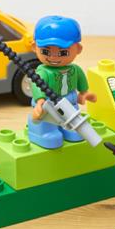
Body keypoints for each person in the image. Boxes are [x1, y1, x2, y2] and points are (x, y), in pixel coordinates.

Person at [28, 16, 97, 149]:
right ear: (34, 47)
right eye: (46, 51)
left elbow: (81, 80)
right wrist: (40, 101)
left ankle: (69, 128)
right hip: (49, 103)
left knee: (74, 123)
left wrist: (84, 93)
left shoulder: (74, 69)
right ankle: (44, 132)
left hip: (70, 101)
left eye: (63, 52)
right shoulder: (43, 72)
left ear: (78, 49)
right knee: (47, 123)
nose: (53, 57)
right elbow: (36, 84)